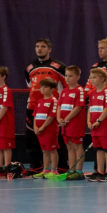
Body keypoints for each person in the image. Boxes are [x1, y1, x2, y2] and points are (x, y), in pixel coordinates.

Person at [24, 38, 67, 173]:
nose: (39, 49)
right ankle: (36, 167)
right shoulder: (29, 68)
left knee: (55, 140)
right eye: (37, 46)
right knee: (33, 139)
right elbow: (30, 87)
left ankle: (60, 167)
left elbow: (66, 86)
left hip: (52, 108)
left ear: (49, 49)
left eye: (43, 46)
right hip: (33, 108)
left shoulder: (58, 66)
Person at [86, 67, 107, 182]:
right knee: (98, 149)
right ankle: (100, 171)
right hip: (95, 128)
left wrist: (98, 121)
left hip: (105, 128)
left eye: (94, 77)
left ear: (103, 79)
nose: (91, 80)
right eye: (91, 77)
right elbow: (90, 108)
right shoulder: (92, 93)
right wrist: (89, 121)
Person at [57, 66, 87, 180]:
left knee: (77, 145)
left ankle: (79, 171)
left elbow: (78, 107)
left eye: (70, 76)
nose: (67, 78)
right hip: (65, 124)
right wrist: (59, 118)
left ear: (78, 77)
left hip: (75, 123)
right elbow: (59, 106)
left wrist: (67, 119)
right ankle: (71, 169)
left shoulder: (79, 90)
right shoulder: (64, 91)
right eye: (66, 75)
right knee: (69, 146)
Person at [31, 80, 60, 181]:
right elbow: (35, 116)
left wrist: (43, 127)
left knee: (52, 150)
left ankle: (54, 170)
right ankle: (46, 170)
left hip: (49, 131)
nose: (42, 89)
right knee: (44, 151)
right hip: (39, 131)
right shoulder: (39, 101)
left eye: (45, 87)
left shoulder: (54, 101)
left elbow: (51, 116)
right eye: (41, 87)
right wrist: (35, 127)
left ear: (52, 89)